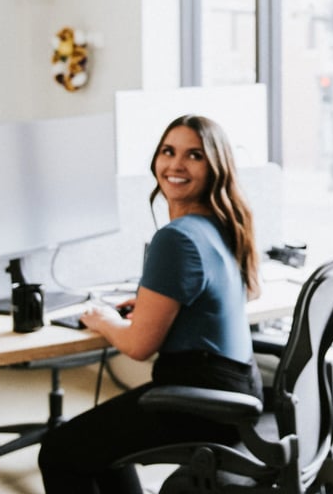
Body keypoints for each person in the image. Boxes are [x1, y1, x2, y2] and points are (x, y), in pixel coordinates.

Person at [38, 114, 262, 494]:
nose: (175, 165)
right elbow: (212, 294)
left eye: (194, 155)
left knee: (59, 451)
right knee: (97, 447)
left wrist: (104, 319)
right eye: (167, 151)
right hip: (237, 388)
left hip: (199, 402)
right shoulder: (221, 223)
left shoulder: (176, 238)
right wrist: (153, 302)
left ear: (215, 167)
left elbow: (138, 347)